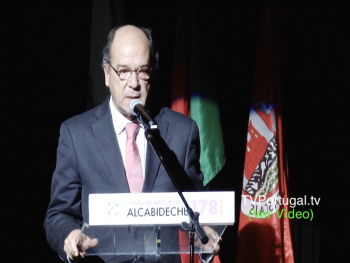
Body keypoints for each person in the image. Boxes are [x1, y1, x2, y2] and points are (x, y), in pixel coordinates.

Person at [44, 25, 218, 263]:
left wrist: (203, 234)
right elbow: (58, 215)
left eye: (143, 71)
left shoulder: (181, 132)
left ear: (152, 74)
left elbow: (199, 209)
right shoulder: (76, 135)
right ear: (106, 74)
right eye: (123, 71)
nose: (134, 83)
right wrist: (70, 235)